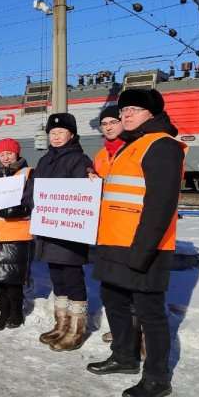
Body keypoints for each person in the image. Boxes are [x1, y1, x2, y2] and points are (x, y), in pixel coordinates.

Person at [86, 89, 186, 397]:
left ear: (152, 114)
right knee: (114, 302)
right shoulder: (129, 147)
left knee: (150, 313)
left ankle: (157, 378)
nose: (126, 114)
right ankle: (124, 356)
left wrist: (143, 250)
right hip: (114, 242)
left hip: (143, 246)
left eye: (135, 110)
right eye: (124, 109)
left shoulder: (162, 146)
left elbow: (161, 203)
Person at [23, 112, 93, 351]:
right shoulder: (44, 161)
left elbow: (80, 197)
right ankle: (61, 323)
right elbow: (32, 190)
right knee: (57, 278)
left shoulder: (80, 160)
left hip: (69, 232)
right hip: (48, 230)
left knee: (72, 277)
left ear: (71, 134)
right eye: (52, 133)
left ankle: (76, 328)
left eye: (61, 132)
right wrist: (31, 202)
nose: (56, 136)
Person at [0, 138, 33, 330]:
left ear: (17, 153)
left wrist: (15, 211)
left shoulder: (27, 173)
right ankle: (4, 314)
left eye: (10, 153)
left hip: (16, 235)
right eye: (2, 154)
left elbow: (31, 203)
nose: (6, 157)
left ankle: (17, 313)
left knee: (13, 281)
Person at [86, 105, 125, 336]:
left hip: (129, 228)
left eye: (113, 122)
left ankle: (134, 333)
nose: (109, 127)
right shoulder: (101, 156)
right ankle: (120, 330)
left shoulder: (133, 150)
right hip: (106, 229)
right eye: (105, 123)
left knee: (128, 284)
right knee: (111, 286)